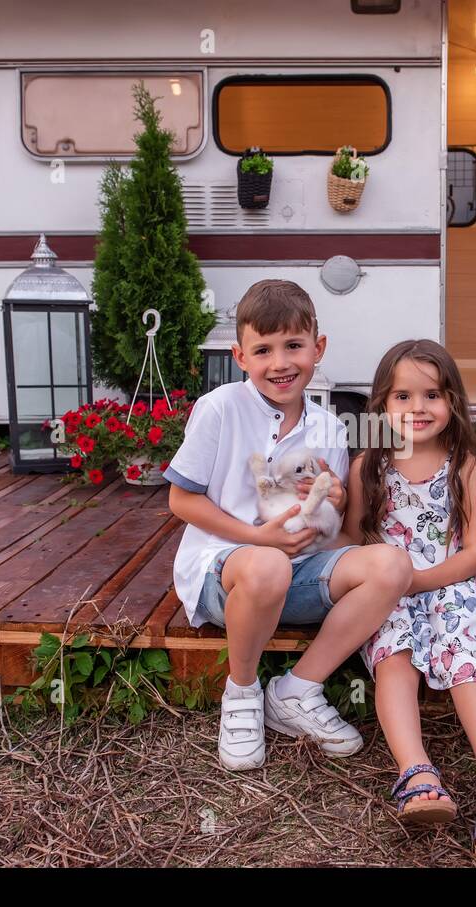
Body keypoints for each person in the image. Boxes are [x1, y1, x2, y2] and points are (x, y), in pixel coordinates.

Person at [164, 279, 412, 772]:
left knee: (391, 565)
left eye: (294, 346)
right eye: (263, 350)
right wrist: (259, 538)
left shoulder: (329, 428)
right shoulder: (220, 409)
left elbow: (334, 534)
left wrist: (338, 501)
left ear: (318, 348)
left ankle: (296, 690)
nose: (280, 363)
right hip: (228, 575)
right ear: (240, 356)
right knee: (268, 566)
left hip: (299, 573)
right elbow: (180, 499)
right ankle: (241, 691)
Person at [343, 339, 476, 862]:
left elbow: (475, 553)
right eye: (403, 396)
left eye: (433, 394)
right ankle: (416, 771)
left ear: (454, 402)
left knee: (467, 656)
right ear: (381, 404)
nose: (418, 408)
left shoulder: (463, 466)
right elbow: (353, 542)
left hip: (449, 583)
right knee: (393, 652)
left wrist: (422, 581)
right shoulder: (367, 468)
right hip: (389, 590)